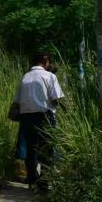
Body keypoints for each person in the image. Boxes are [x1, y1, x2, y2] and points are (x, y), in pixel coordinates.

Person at [12, 53, 65, 188]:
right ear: (46, 62)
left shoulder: (25, 77)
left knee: (31, 148)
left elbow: (17, 102)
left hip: (26, 117)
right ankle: (44, 180)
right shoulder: (50, 76)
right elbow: (55, 98)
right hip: (44, 116)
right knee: (47, 148)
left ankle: (31, 178)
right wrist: (66, 109)